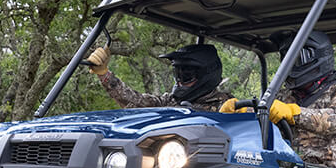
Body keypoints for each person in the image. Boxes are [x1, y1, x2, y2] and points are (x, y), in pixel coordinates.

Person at [221, 30, 336, 168]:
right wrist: (244, 110)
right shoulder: (288, 94)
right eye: (287, 59)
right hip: (288, 167)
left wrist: (293, 113)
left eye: (296, 59)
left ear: (316, 57)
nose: (291, 65)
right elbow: (269, 110)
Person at [85, 43, 232, 111]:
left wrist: (237, 115)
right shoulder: (169, 101)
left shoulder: (226, 106)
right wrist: (104, 74)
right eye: (177, 74)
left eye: (186, 75)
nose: (180, 81)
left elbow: (248, 125)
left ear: (206, 74)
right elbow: (136, 102)